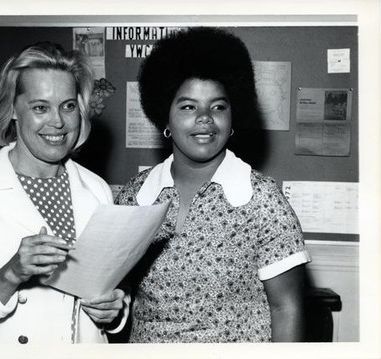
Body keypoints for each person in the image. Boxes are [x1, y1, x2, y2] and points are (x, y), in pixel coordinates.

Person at [115, 27, 311, 343]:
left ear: (233, 116)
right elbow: (117, 296)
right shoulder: (134, 196)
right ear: (164, 115)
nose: (205, 118)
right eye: (188, 106)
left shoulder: (262, 199)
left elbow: (287, 307)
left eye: (218, 107)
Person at [0, 41, 129, 344]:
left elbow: (111, 293)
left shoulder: (97, 189)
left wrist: (113, 311)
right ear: (13, 110)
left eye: (68, 106)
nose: (58, 122)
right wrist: (11, 273)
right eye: (40, 107)